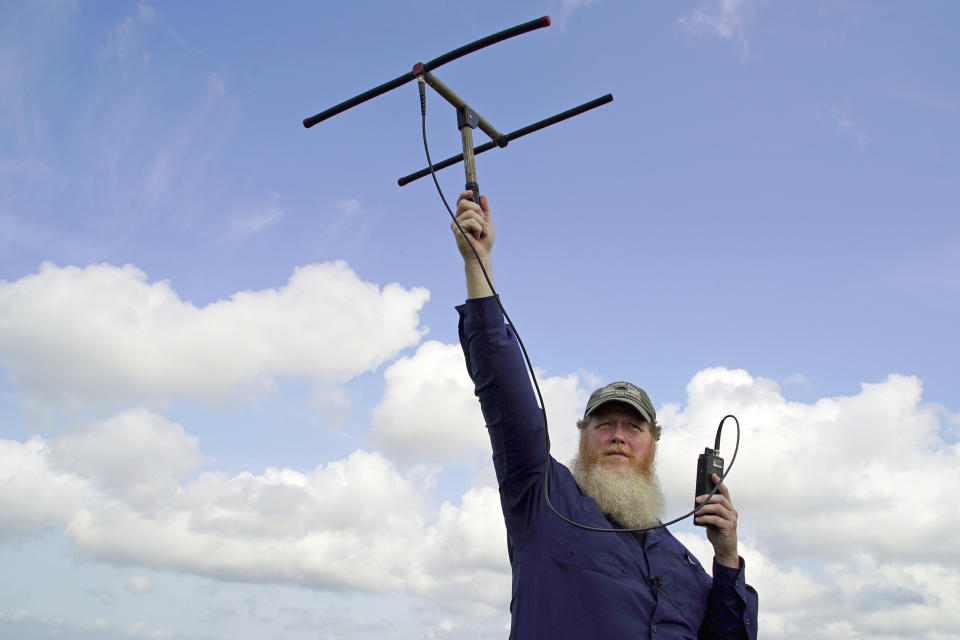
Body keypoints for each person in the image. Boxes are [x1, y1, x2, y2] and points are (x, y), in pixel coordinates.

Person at [452, 190, 759, 639]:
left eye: (633, 427)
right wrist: (478, 265)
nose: (618, 435)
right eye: (605, 424)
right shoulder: (542, 498)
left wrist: (727, 558)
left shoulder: (685, 564)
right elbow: (505, 394)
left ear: (653, 444)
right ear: (583, 437)